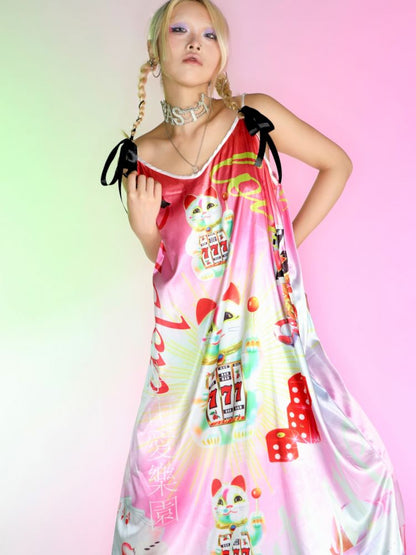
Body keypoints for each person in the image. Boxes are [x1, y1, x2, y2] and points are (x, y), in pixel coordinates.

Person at [102, 0, 406, 553]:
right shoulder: (138, 159)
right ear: (154, 49)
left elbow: (337, 164)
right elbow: (175, 269)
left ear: (221, 54)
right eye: (180, 29)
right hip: (189, 368)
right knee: (160, 515)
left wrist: (280, 247)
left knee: (308, 495)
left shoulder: (252, 118)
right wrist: (145, 233)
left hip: (266, 352)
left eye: (209, 34)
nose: (195, 42)